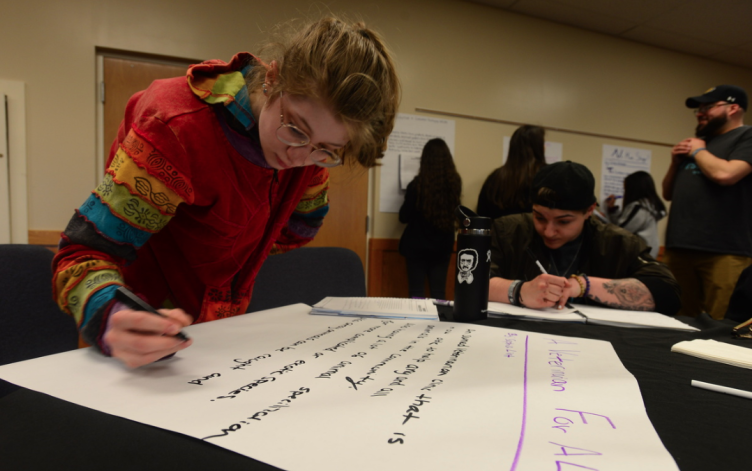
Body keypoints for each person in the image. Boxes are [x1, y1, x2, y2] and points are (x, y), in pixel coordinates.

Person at [52, 17, 401, 368]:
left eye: (327, 149)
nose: (298, 157)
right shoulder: (177, 126)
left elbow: (298, 230)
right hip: (135, 339)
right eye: (295, 127)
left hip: (218, 341)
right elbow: (80, 255)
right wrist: (110, 315)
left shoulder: (308, 158)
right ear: (273, 78)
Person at [489, 161, 681, 315]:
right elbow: (471, 280)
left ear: (589, 210)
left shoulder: (619, 243)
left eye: (563, 222)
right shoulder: (508, 230)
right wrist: (519, 290)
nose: (548, 231)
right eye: (539, 217)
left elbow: (667, 294)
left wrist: (582, 285)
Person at [661, 84, 752, 320]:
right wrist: (674, 162)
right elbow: (667, 193)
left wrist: (698, 151)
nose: (701, 112)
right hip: (679, 248)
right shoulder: (699, 144)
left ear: (733, 108)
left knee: (722, 323)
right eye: (698, 109)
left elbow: (727, 175)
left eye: (708, 107)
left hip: (724, 251)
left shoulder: (746, 136)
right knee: (676, 318)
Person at [398, 138, 461, 300]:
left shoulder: (416, 185)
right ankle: (440, 322)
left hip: (416, 246)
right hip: (443, 246)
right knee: (439, 292)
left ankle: (415, 323)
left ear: (425, 160)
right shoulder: (454, 184)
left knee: (416, 292)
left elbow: (403, 217)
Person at [476, 125, 546, 219]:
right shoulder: (548, 175)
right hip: (536, 233)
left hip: (499, 232)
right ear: (539, 147)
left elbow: (482, 214)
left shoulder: (495, 177)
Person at [603, 171, 667, 258]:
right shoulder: (649, 205)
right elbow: (625, 223)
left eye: (626, 189)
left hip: (640, 255)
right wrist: (612, 209)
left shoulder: (640, 208)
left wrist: (602, 223)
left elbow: (622, 229)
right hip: (648, 253)